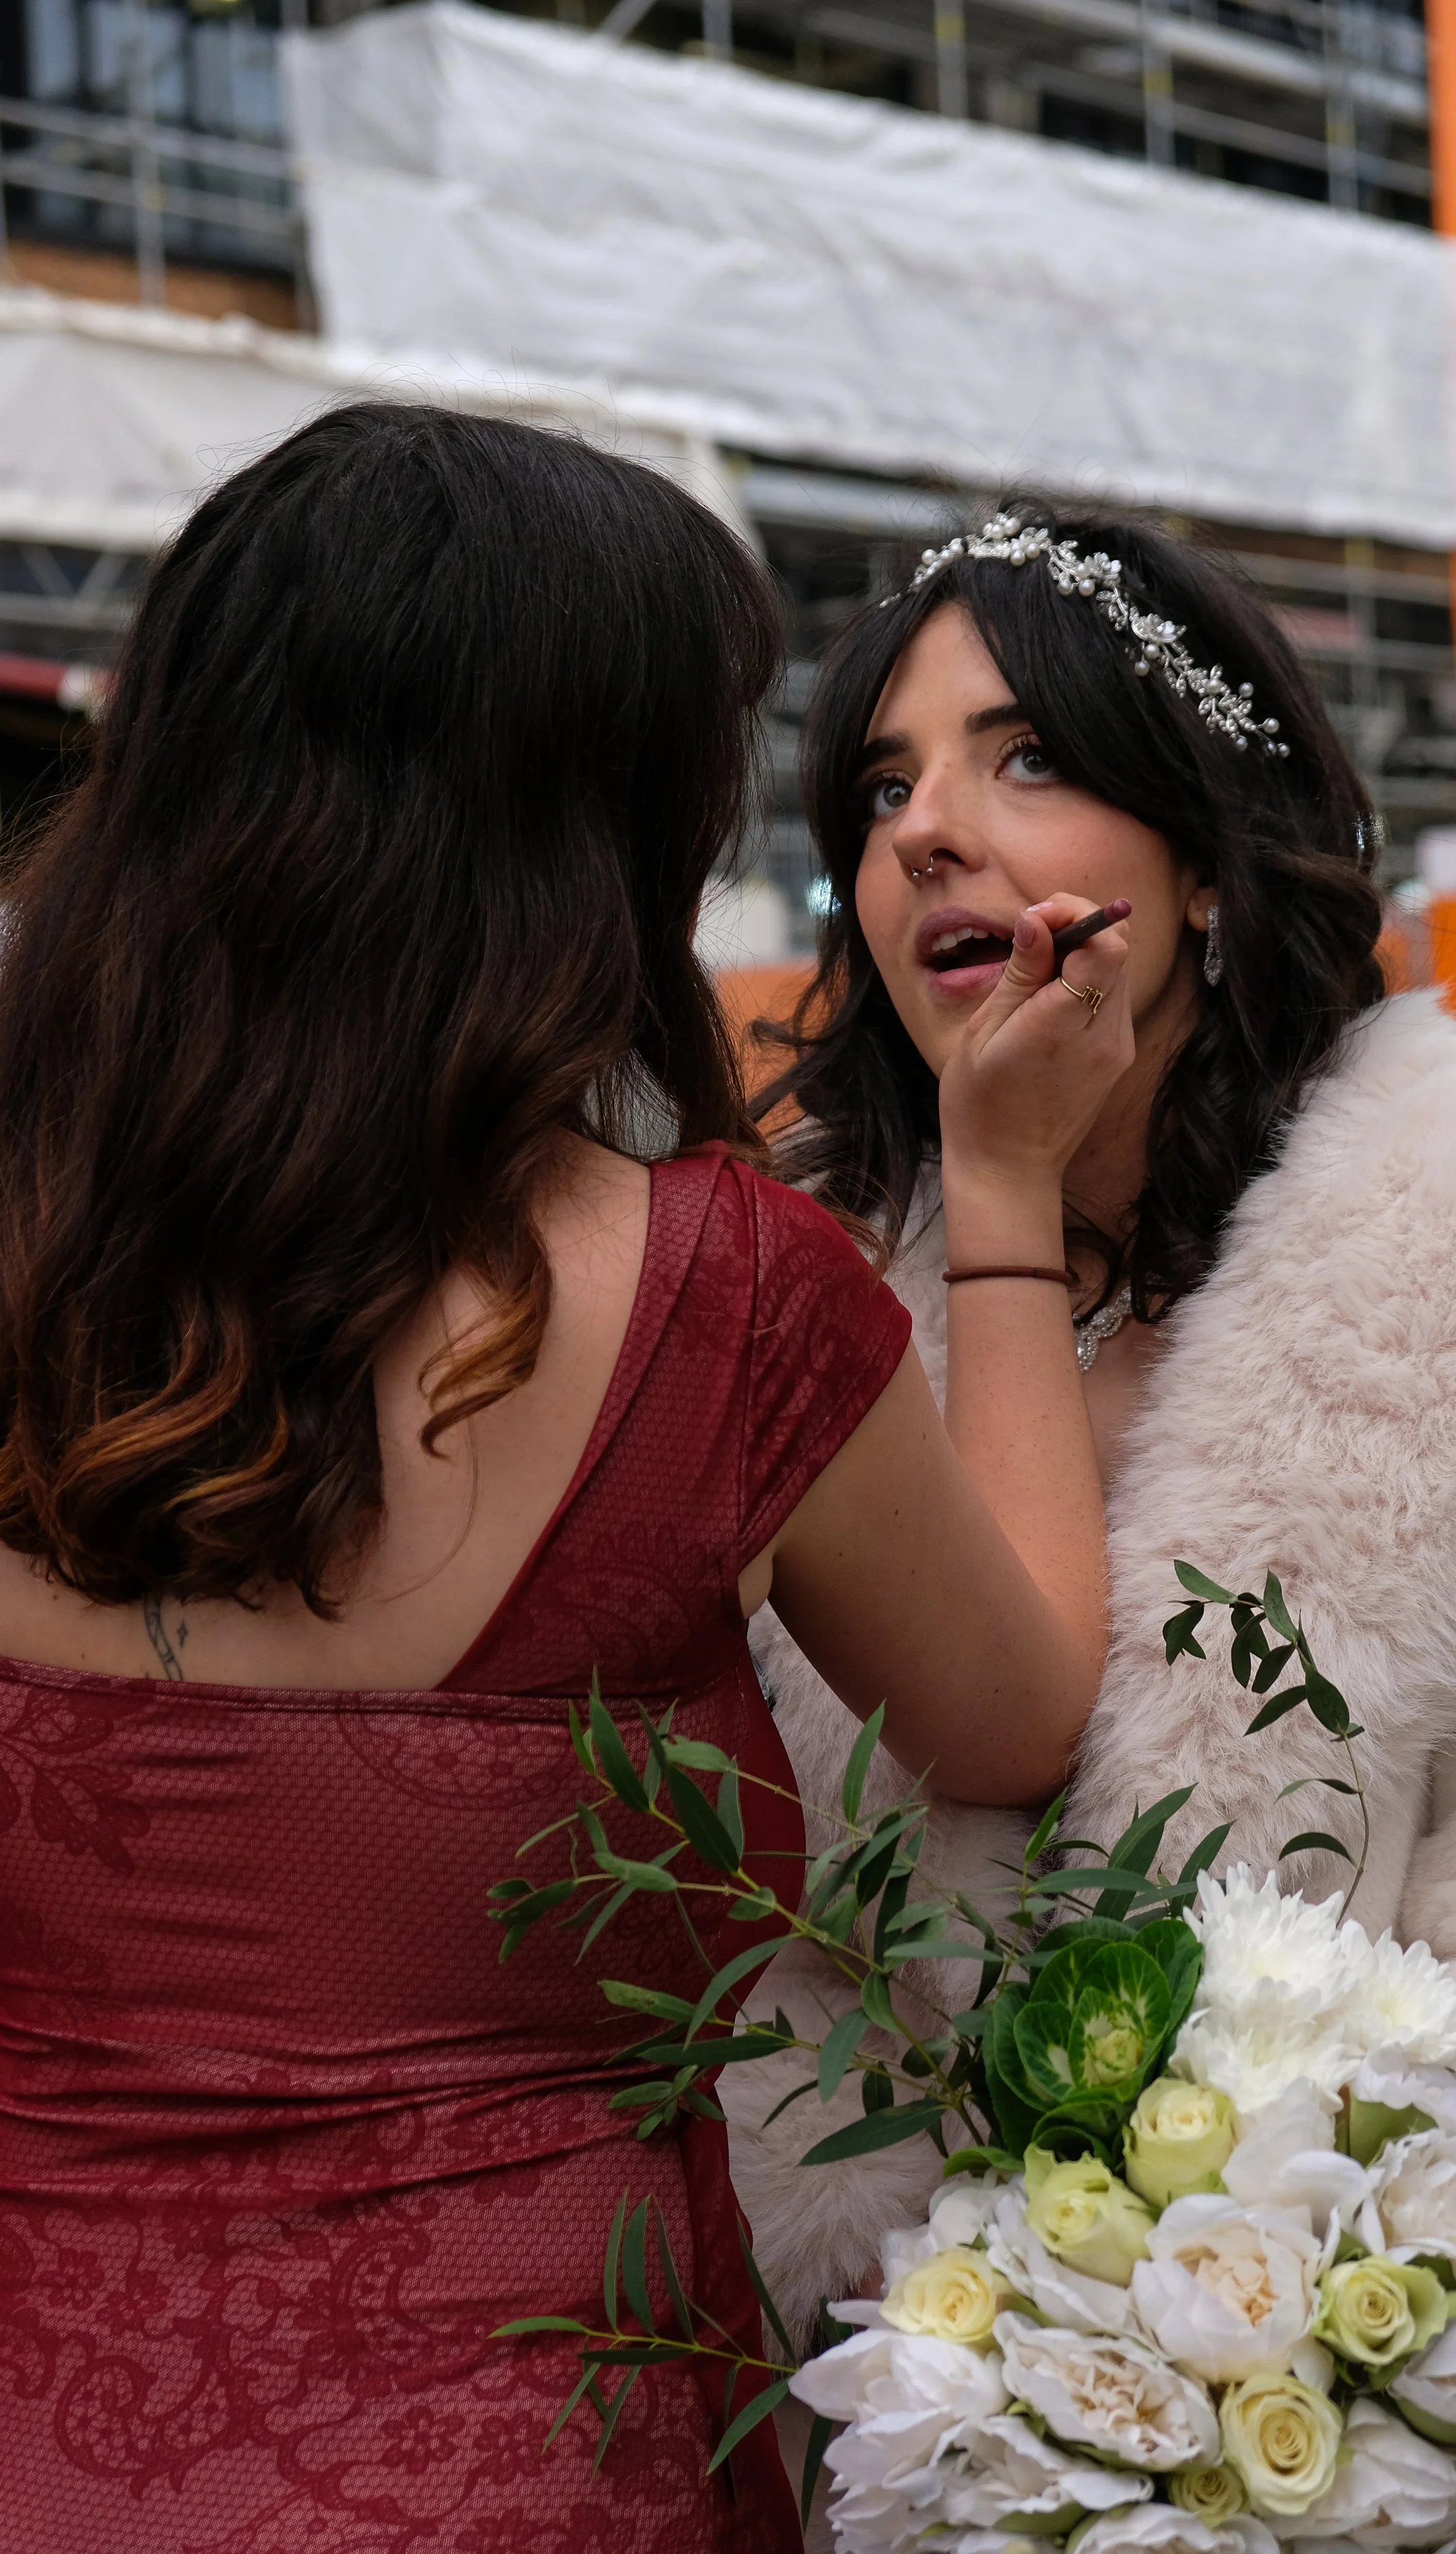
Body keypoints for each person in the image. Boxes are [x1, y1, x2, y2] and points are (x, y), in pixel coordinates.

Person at [0, 421, 1135, 2554]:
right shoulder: (716, 1295)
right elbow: (1008, 1708)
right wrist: (1002, 1188)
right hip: (531, 2469)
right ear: (592, 834)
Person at [727, 505, 1456, 2352]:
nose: (923, 825)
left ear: (1200, 864)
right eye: (877, 784)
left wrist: (1363, 2341)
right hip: (874, 2387)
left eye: (1022, 757)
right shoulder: (803, 1286)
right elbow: (752, 1923)